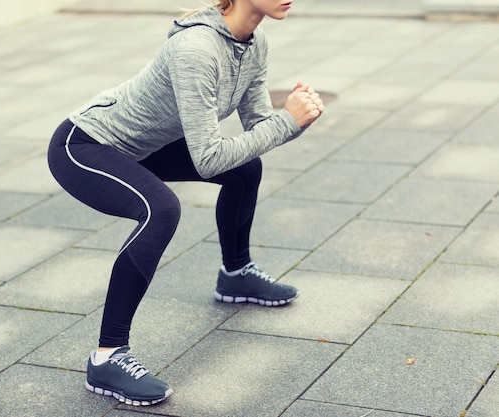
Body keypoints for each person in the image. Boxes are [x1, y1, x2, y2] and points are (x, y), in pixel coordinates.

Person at [47, 0, 324, 407]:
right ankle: (107, 357)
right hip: (86, 145)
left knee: (246, 169)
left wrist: (295, 120)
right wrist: (287, 122)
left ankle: (236, 274)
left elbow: (260, 128)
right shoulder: (196, 48)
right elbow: (208, 157)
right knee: (160, 210)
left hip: (142, 147)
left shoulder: (254, 41)